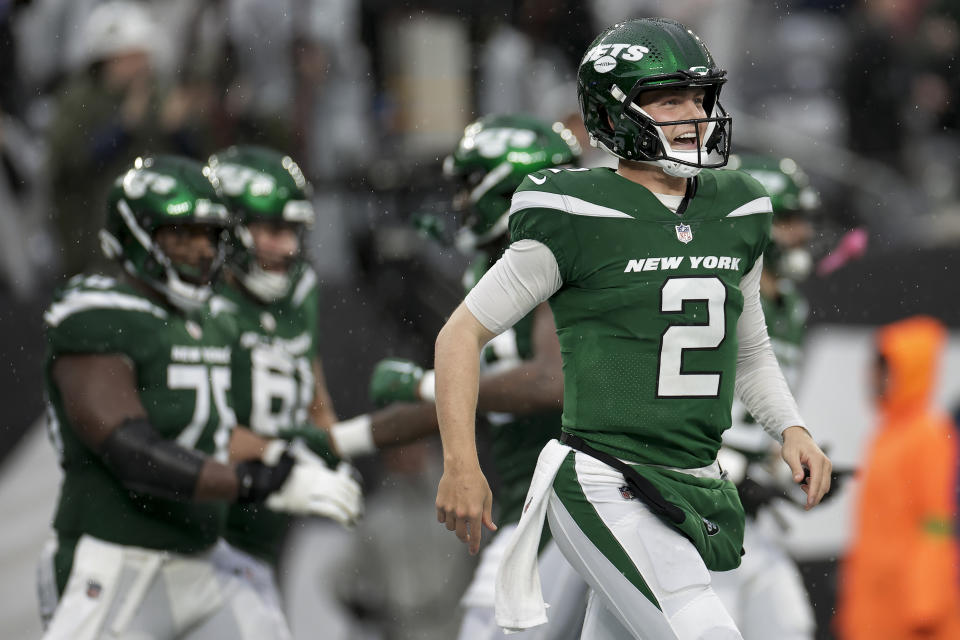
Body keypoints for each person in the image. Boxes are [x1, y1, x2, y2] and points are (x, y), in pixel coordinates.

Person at [432, 17, 832, 639]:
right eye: (670, 99)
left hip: (691, 482)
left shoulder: (740, 206)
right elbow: (459, 335)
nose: (694, 115)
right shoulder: (574, 213)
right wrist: (461, 463)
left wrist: (791, 427)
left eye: (700, 98)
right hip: (604, 478)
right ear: (615, 114)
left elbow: (748, 347)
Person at [39, 155, 361, 640]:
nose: (198, 249)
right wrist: (254, 484)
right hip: (113, 559)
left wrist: (288, 457)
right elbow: (136, 453)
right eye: (180, 234)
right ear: (137, 233)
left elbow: (234, 426)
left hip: (203, 556)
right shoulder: (98, 312)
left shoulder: (216, 317)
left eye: (209, 235)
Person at [356, 114, 588, 639]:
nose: (459, 203)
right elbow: (456, 401)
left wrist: (425, 383)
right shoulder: (492, 270)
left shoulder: (564, 258)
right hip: (539, 512)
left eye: (468, 185)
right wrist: (342, 439)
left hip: (579, 508)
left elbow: (553, 382)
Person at [203, 145, 357, 630]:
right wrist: (281, 461)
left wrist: (333, 446)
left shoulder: (300, 292)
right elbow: (191, 428)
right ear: (229, 227)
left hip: (259, 540)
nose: (287, 247)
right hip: (201, 539)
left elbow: (313, 393)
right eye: (272, 230)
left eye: (292, 232)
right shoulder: (202, 306)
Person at [709, 154, 819, 639]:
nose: (801, 235)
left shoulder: (792, 304)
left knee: (790, 625)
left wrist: (793, 461)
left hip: (755, 503)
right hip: (707, 495)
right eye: (789, 220)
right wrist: (724, 469)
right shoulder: (716, 291)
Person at [835, 316, 960, 640]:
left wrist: (927, 597)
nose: (874, 377)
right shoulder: (884, 435)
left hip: (910, 608)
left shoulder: (929, 434)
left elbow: (936, 520)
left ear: (908, 370)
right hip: (877, 599)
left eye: (884, 368)